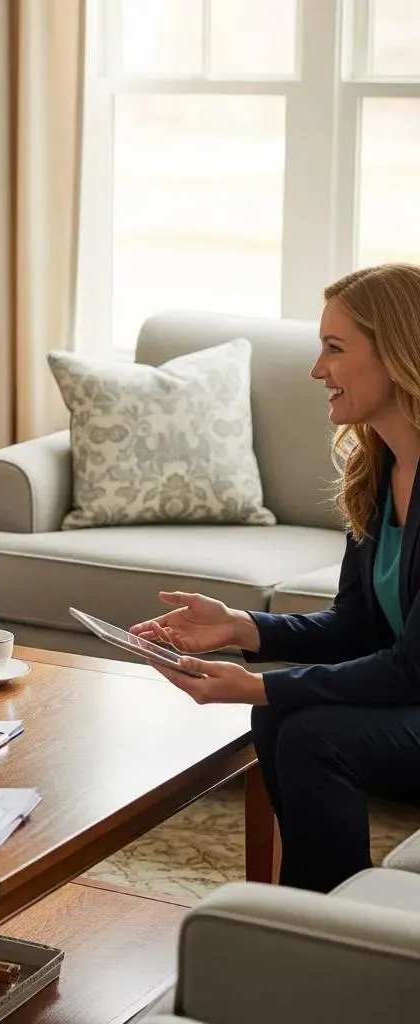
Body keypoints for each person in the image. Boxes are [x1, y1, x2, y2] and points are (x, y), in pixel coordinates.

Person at [130, 263, 420, 894]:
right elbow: (354, 626)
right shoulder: (377, 473)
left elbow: (408, 668)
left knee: (311, 731)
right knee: (279, 722)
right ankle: (306, 912)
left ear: (399, 355)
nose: (317, 370)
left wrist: (260, 687)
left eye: (335, 349)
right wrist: (240, 628)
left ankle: (331, 928)